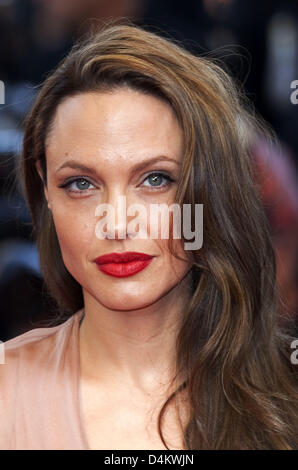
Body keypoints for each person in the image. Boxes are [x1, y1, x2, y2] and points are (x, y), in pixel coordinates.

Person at [0, 19, 297, 450]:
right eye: (81, 184)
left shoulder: (284, 398)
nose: (117, 224)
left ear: (207, 191)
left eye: (155, 179)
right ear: (45, 190)